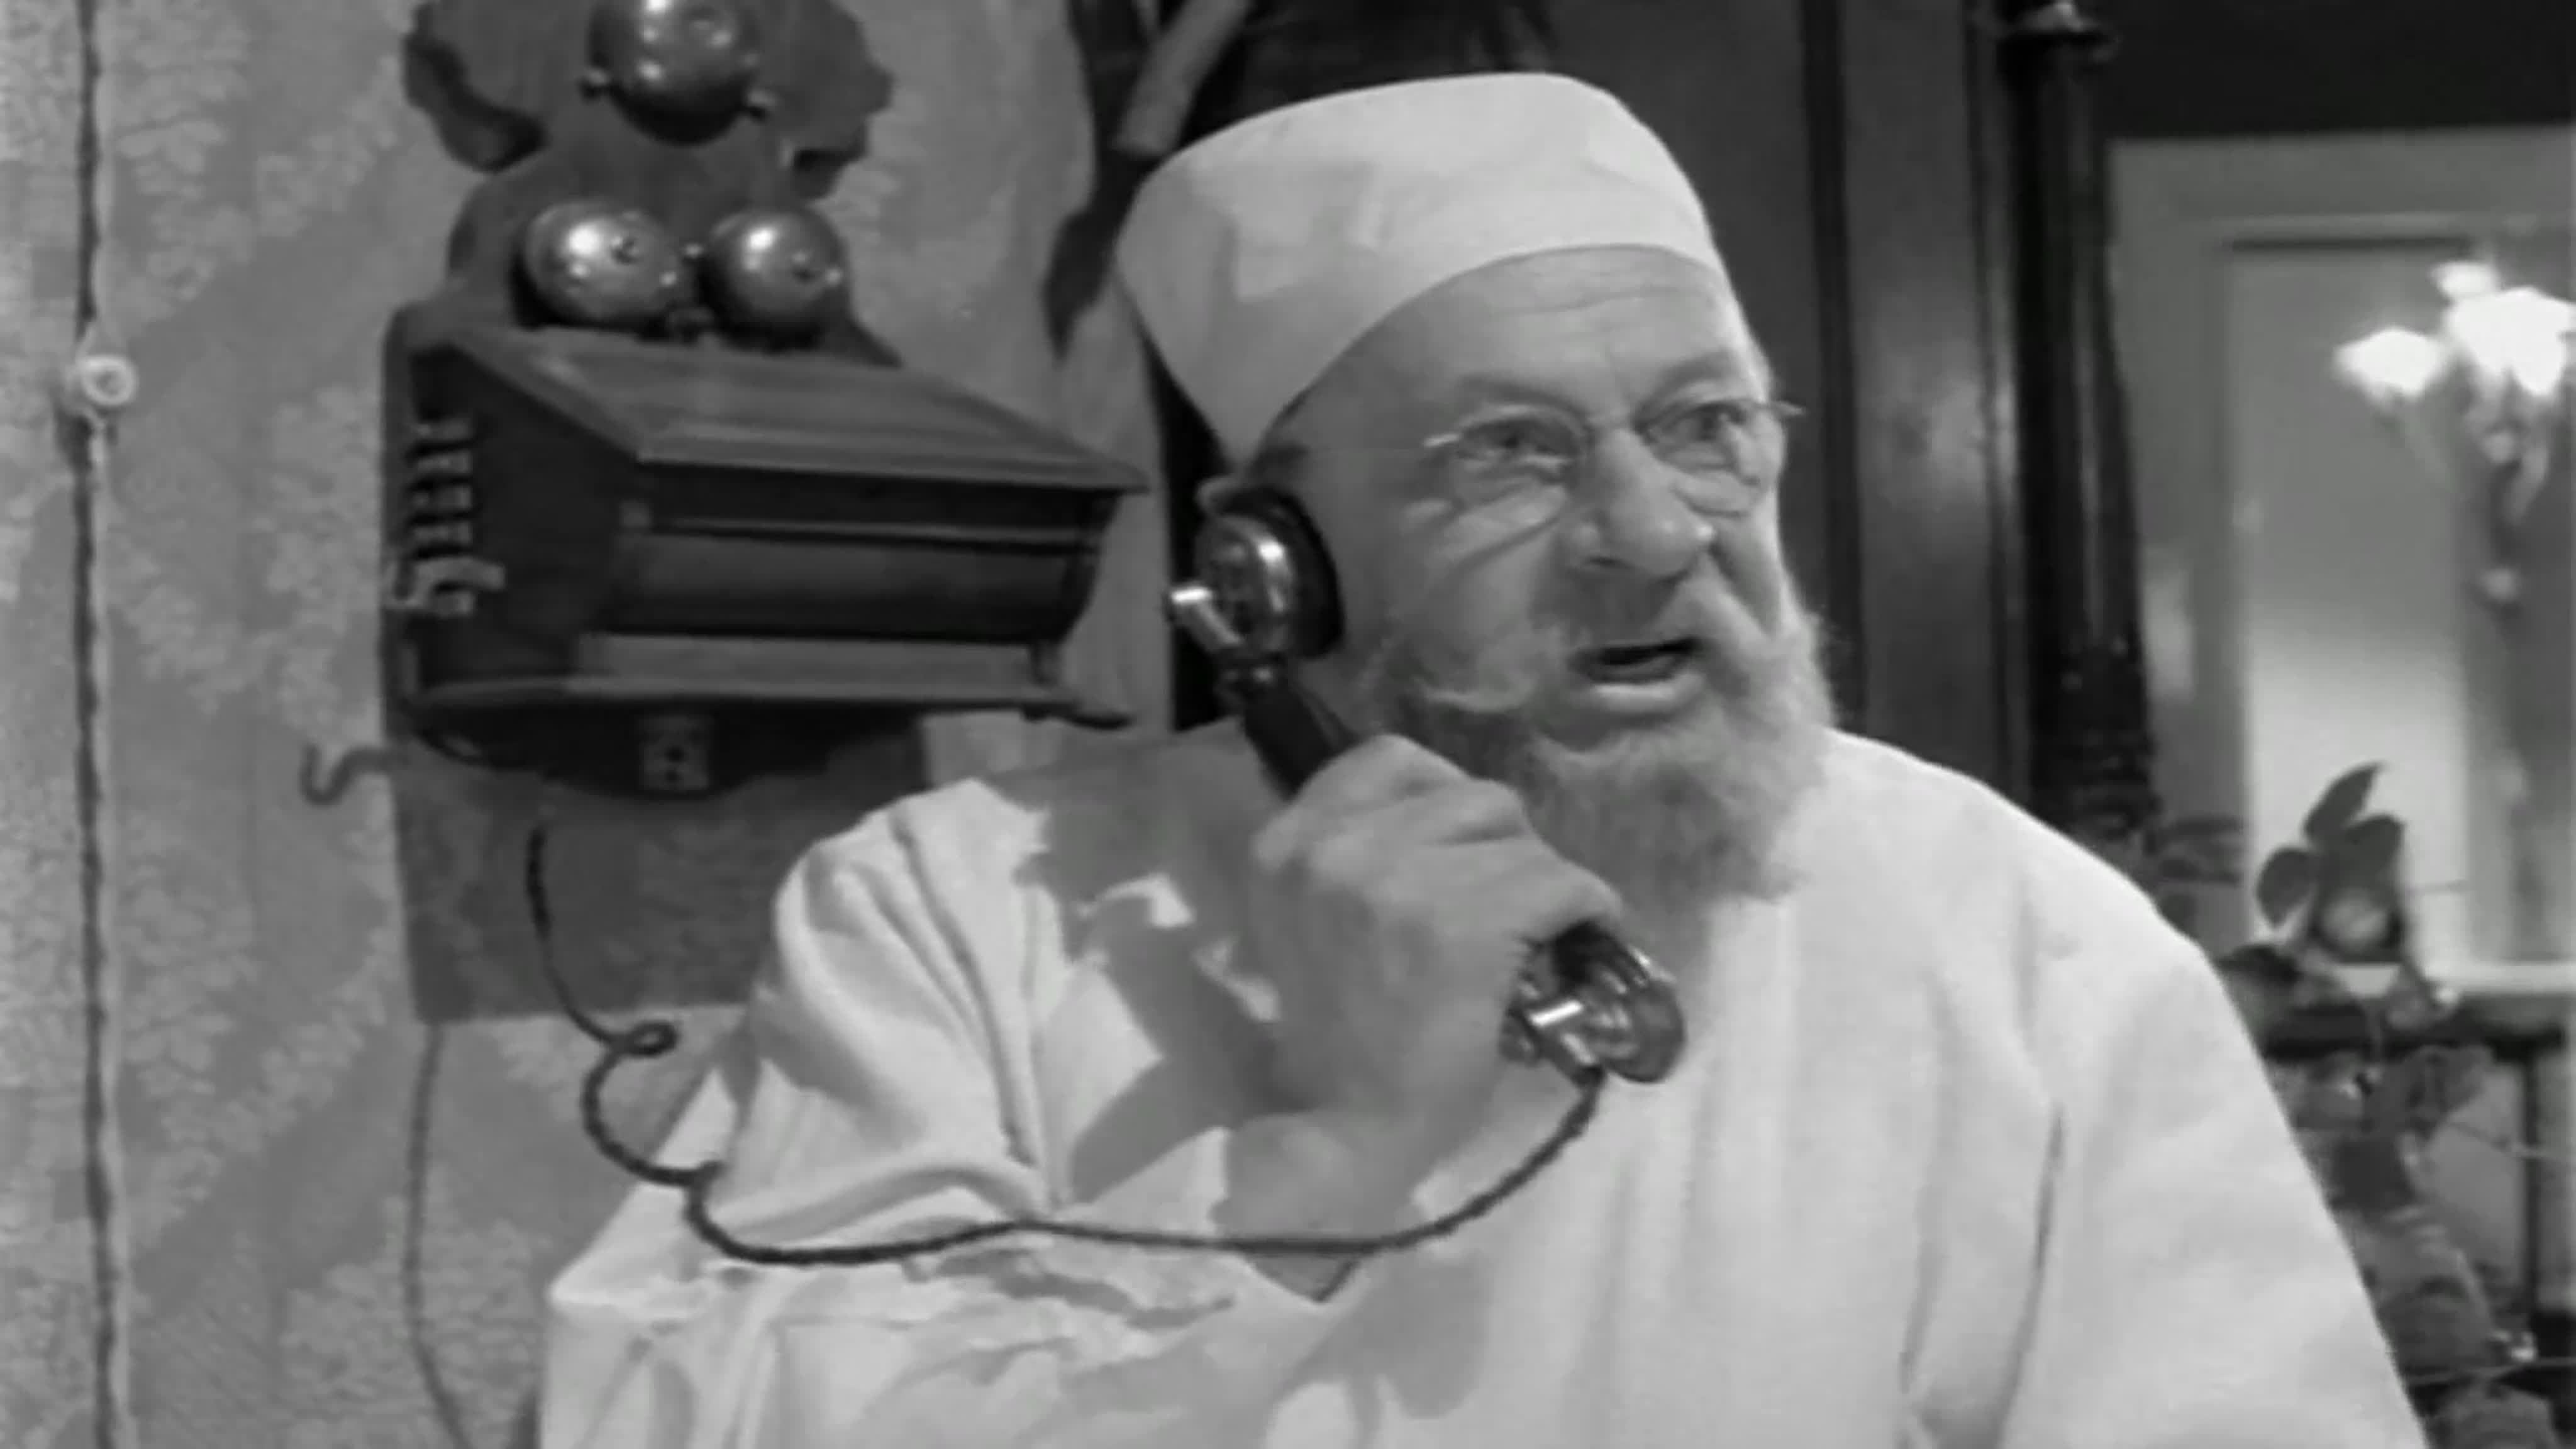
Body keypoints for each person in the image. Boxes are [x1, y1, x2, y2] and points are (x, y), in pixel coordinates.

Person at [538, 74, 2424, 1447]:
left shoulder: (2019, 937)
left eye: (1707, 429)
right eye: (1508, 455)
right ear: (1270, 565)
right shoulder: (956, 918)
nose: (1655, 535)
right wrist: (1326, 1155)